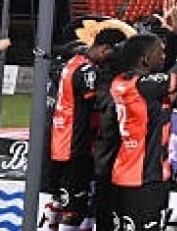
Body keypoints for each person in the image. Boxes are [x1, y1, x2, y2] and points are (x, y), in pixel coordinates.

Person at [109, 2, 177, 231]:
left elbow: (164, 67)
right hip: (145, 178)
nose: (164, 56)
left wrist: (171, 34)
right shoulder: (147, 86)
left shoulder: (123, 81)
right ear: (145, 60)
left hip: (129, 172)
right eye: (159, 52)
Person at [48, 28, 124, 231]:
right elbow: (100, 101)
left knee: (65, 202)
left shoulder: (74, 62)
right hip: (76, 145)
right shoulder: (87, 71)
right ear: (105, 49)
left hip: (64, 141)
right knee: (74, 210)